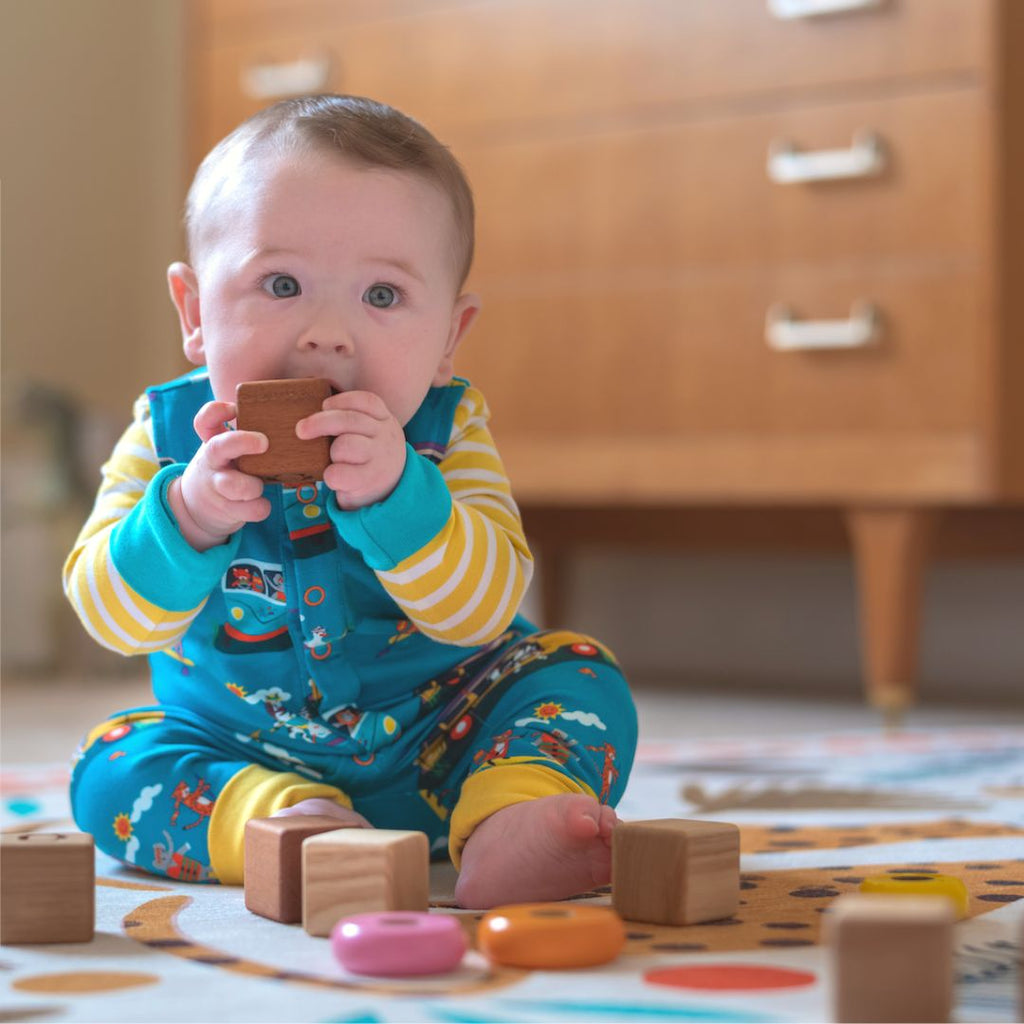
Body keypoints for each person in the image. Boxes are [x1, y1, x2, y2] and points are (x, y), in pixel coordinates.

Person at [63, 94, 637, 908]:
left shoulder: (448, 434)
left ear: (448, 338)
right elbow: (109, 616)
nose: (327, 333)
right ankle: (285, 828)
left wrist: (402, 498)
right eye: (283, 283)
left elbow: (477, 614)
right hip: (239, 744)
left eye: (382, 297)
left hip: (452, 736)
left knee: (580, 678)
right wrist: (187, 520)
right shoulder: (167, 441)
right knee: (109, 770)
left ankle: (514, 813)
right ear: (195, 314)